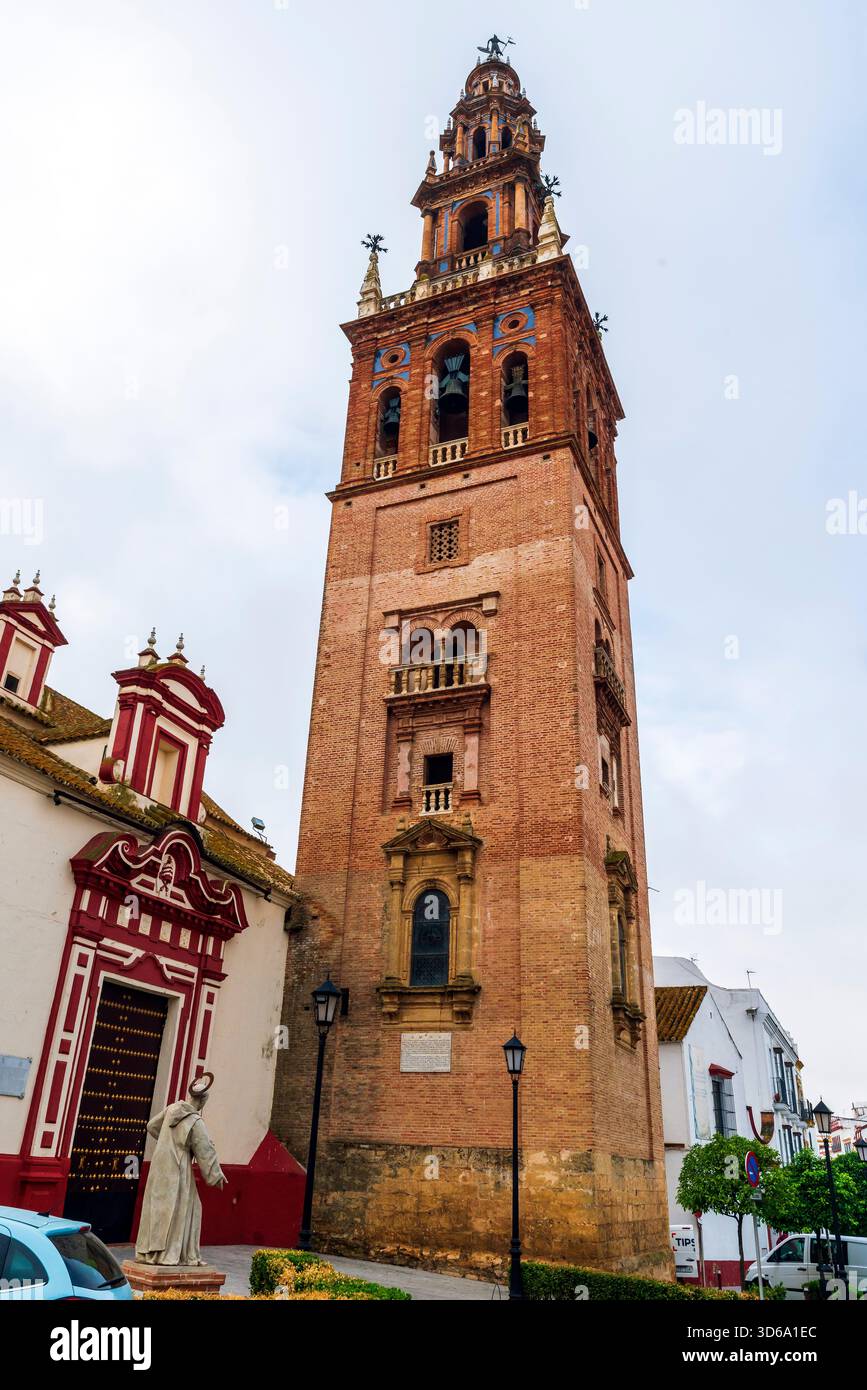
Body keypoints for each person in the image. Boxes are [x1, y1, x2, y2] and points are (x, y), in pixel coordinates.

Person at [135, 1073, 227, 1266]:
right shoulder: (195, 1121)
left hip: (160, 1166)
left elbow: (151, 1126)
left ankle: (147, 1254)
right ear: (202, 1101)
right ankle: (178, 1255)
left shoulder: (172, 1109)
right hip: (178, 1168)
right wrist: (216, 1176)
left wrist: (166, 1140)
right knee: (185, 1209)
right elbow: (205, 1151)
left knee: (157, 1209)